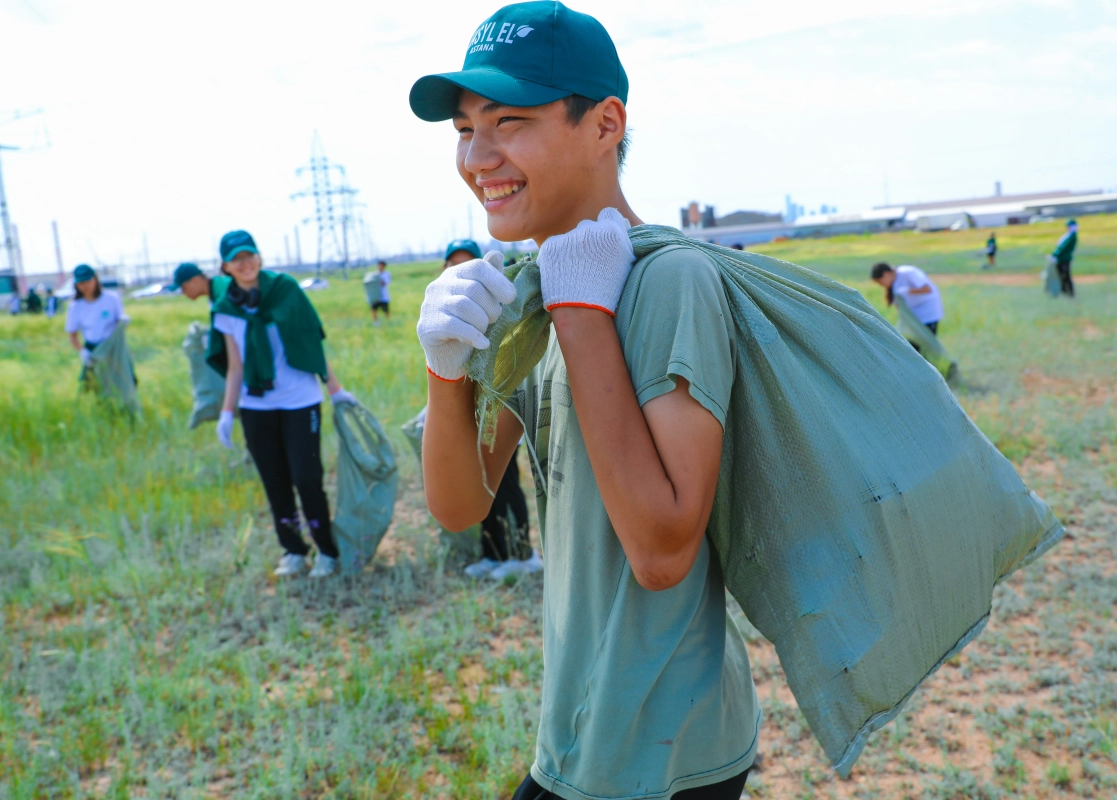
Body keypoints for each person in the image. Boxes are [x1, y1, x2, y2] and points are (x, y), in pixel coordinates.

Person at [411, 4, 759, 799]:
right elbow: (462, 507)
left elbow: (663, 551)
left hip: (666, 748)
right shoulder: (530, 295)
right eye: (465, 129)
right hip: (578, 728)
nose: (479, 156)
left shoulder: (670, 282)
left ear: (605, 125)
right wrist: (444, 370)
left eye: (511, 121)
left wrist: (582, 318)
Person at [205, 230, 357, 579]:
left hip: (300, 403)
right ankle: (293, 550)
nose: (245, 264)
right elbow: (235, 366)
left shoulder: (285, 290)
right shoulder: (226, 307)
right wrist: (227, 413)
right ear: (226, 266)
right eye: (236, 259)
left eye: (250, 256)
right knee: (275, 482)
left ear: (258, 257)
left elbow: (311, 343)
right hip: (256, 407)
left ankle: (326, 551)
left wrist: (336, 391)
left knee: (307, 479)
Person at [435, 238, 535, 580]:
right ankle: (494, 555)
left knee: (504, 486)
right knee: (478, 486)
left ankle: (522, 554)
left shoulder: (496, 304)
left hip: (499, 413)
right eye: (453, 264)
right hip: (470, 418)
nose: (457, 270)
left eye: (467, 262)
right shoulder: (447, 305)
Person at [65, 264, 127, 370]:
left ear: (95, 280)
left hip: (114, 347)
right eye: (80, 283)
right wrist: (82, 351)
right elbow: (72, 335)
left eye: (87, 281)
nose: (84, 286)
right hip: (92, 349)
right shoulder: (75, 306)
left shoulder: (112, 298)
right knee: (97, 384)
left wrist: (123, 321)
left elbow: (119, 322)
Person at [870, 262, 944, 334]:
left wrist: (908, 290)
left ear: (885, 274)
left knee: (926, 342)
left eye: (880, 282)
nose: (881, 285)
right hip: (913, 316)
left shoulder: (907, 272)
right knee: (912, 343)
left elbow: (927, 289)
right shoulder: (893, 285)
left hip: (928, 312)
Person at [1051, 219, 1078, 297]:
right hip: (1061, 259)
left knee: (1065, 276)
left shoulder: (1072, 237)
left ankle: (1069, 293)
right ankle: (1064, 292)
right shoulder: (1069, 235)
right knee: (1061, 276)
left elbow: (1063, 248)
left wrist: (1055, 255)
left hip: (1064, 259)